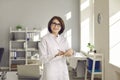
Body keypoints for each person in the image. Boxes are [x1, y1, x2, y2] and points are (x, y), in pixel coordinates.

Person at [39, 16, 74, 80]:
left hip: (62, 70)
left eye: (58, 24)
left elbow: (69, 52)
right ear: (50, 25)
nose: (56, 26)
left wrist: (71, 52)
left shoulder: (64, 39)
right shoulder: (45, 39)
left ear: (61, 27)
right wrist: (55, 54)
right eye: (54, 23)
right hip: (50, 71)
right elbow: (42, 59)